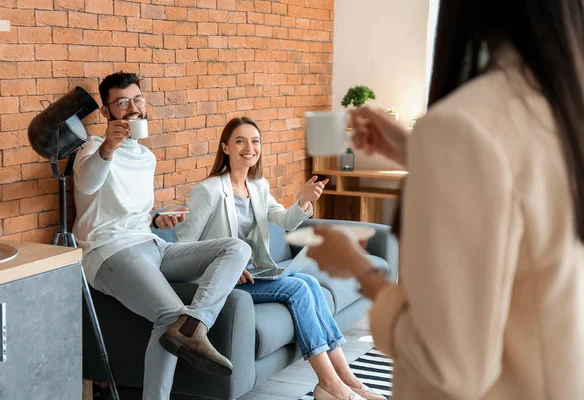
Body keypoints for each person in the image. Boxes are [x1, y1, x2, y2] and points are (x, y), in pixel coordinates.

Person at [306, 1, 584, 400]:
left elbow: (446, 366)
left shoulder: (465, 123)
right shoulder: (563, 109)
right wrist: (418, 151)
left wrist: (357, 268)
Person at [173, 116, 387, 400]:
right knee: (298, 288)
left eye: (255, 141)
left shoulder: (258, 186)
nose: (249, 147)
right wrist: (223, 264)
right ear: (225, 147)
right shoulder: (209, 190)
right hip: (222, 280)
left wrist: (304, 199)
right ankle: (330, 384)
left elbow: (285, 219)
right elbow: (183, 246)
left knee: (309, 282)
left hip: (254, 274)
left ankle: (348, 380)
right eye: (240, 141)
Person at [73, 72, 251, 400]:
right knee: (169, 314)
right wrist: (109, 147)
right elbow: (86, 185)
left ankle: (195, 324)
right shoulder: (93, 147)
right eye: (122, 102)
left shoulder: (147, 157)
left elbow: (129, 210)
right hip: (109, 250)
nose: (133, 108)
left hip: (151, 244)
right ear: (106, 112)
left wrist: (157, 217)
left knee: (236, 248)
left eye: (137, 100)